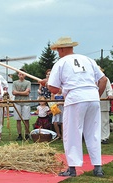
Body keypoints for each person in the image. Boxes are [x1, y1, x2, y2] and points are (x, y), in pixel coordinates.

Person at [47, 36, 107, 177]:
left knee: (72, 133)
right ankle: (98, 168)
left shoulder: (61, 62)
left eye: (57, 50)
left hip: (75, 98)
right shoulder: (88, 60)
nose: (57, 53)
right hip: (92, 97)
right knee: (93, 132)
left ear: (61, 49)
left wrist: (47, 83)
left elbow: (53, 89)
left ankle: (72, 168)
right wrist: (96, 96)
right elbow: (103, 80)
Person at [12, 69, 31, 141]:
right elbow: (13, 92)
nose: (21, 76)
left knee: (26, 119)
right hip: (17, 102)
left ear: (25, 75)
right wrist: (23, 92)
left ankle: (26, 134)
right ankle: (19, 135)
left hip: (26, 102)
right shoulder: (14, 83)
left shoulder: (28, 82)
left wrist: (18, 92)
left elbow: (27, 93)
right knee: (18, 119)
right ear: (18, 75)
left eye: (22, 74)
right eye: (20, 74)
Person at [99, 68, 113, 144]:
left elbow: (109, 89)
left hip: (104, 103)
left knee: (104, 121)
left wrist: (110, 95)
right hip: (94, 104)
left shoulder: (105, 79)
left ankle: (104, 137)